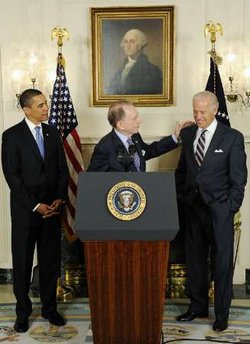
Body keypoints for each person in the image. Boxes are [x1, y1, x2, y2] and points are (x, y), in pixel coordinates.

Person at [175, 91, 247, 332]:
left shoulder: (232, 138)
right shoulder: (187, 134)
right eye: (195, 111)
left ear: (215, 110)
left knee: (222, 264)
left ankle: (222, 314)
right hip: (192, 208)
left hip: (220, 210)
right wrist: (180, 199)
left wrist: (230, 207)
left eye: (202, 112)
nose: (197, 116)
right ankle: (197, 307)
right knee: (194, 260)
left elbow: (239, 179)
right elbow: (182, 171)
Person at [1, 89, 69, 333]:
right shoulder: (11, 136)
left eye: (46, 104)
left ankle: (50, 309)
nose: (46, 108)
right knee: (23, 262)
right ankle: (22, 312)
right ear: (26, 109)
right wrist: (35, 205)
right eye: (40, 105)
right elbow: (13, 177)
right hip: (26, 211)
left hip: (52, 210)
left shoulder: (52, 133)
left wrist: (58, 199)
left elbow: (62, 169)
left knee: (50, 261)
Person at [87, 100, 192, 172]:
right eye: (135, 118)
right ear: (120, 125)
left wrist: (174, 137)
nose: (140, 121)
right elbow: (93, 180)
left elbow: (148, 151)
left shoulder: (134, 136)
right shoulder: (104, 147)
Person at [108, 29, 162, 95]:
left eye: (132, 42)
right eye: (126, 42)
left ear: (140, 45)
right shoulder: (119, 70)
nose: (128, 46)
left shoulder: (153, 71)